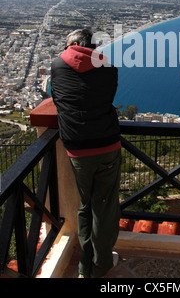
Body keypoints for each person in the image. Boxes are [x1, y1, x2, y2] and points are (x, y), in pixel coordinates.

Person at [51, 28, 121, 278]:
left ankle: (84, 266)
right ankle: (101, 264)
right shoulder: (109, 68)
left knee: (85, 206)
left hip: (77, 148)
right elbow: (107, 97)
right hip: (107, 145)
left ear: (73, 44)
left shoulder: (58, 66)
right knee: (105, 206)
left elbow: (58, 98)